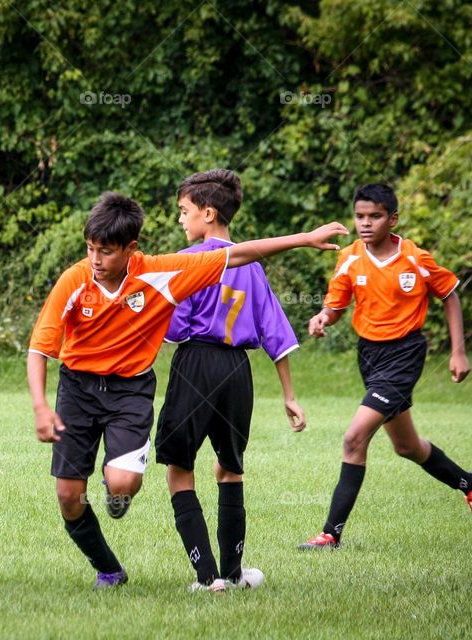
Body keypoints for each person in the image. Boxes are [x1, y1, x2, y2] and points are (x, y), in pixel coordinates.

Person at [27, 191, 346, 589]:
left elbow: (237, 255)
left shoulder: (162, 272)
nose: (95, 260)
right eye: (90, 249)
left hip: (130, 390)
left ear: (131, 249)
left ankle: (121, 493)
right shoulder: (75, 280)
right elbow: (39, 348)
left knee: (124, 483)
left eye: (105, 252)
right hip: (77, 389)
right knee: (69, 498)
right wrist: (41, 406)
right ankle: (109, 568)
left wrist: (302, 238)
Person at [298, 183, 472, 550]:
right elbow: (337, 305)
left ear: (393, 219)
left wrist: (459, 351)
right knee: (407, 446)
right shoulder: (350, 258)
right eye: (359, 217)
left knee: (354, 438)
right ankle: (471, 485)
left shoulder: (415, 258)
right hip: (369, 355)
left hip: (404, 355)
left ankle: (330, 534)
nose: (365, 224)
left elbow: (449, 293)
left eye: (375, 216)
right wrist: (322, 317)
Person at [155, 170, 307, 593]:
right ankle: (234, 573)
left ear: (208, 212)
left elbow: (173, 328)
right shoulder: (252, 264)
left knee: (179, 470)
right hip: (238, 372)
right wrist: (290, 396)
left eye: (184, 212)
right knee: (229, 469)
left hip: (196, 365)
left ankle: (207, 580)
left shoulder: (192, 261)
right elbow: (276, 333)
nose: (181, 221)